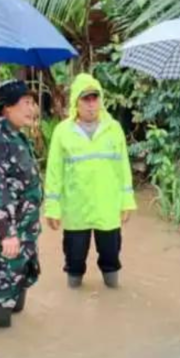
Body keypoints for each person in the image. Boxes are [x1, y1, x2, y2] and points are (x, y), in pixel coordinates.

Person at [44, 73, 136, 289]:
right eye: (86, 99)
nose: (91, 104)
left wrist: (127, 202)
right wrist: (52, 208)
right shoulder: (62, 132)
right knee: (74, 263)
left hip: (108, 208)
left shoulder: (114, 129)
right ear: (76, 101)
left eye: (95, 98)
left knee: (111, 262)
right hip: (77, 209)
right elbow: (54, 173)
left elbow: (123, 169)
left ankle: (112, 298)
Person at [0, 80, 43, 328]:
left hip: (24, 226)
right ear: (7, 108)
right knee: (4, 285)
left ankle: (18, 347)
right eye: (25, 103)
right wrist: (6, 233)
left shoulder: (17, 135)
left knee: (21, 276)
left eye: (32, 103)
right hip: (9, 231)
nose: (32, 109)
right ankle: (3, 341)